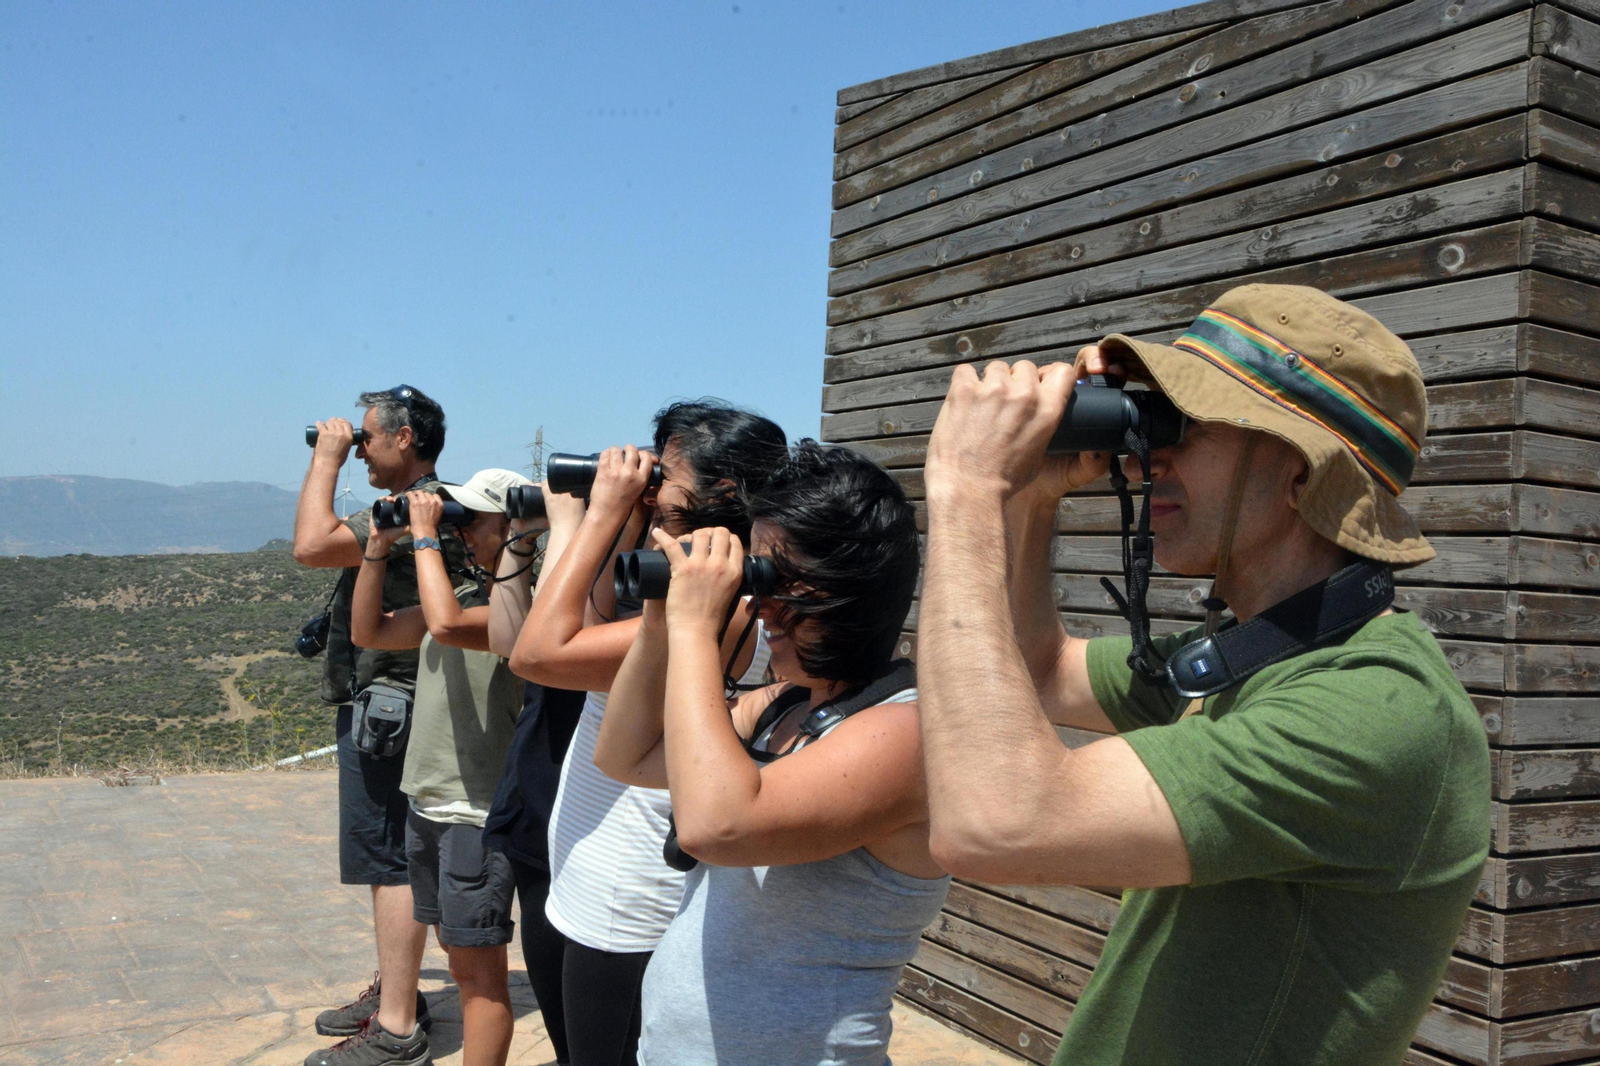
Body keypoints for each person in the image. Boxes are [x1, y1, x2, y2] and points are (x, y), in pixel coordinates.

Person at [916, 284, 1491, 1066]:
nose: (1149, 455)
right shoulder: (1256, 657)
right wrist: (1030, 501)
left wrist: (966, 493)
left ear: (1301, 474)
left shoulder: (1376, 707)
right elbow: (1040, 673)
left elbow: (995, 823)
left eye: (1185, 425)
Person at [593, 441, 946, 1066]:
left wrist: (698, 629)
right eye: (755, 575)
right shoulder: (785, 705)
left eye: (777, 577)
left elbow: (715, 825)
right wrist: (659, 622)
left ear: (851, 589)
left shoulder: (904, 731)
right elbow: (623, 754)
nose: (758, 604)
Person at [508, 400, 786, 1066]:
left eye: (667, 473)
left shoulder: (721, 604)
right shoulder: (684, 591)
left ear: (724, 490)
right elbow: (595, 613)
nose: (651, 482)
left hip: (630, 901)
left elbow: (538, 653)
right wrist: (627, 524)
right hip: (592, 879)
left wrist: (594, 516)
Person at [328, 469, 532, 1066]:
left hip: (477, 811)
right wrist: (374, 549)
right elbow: (371, 631)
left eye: (472, 519)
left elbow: (443, 625)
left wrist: (421, 537)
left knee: (476, 974)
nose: (460, 531)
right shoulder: (468, 594)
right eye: (455, 519)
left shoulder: (526, 605)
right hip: (428, 802)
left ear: (515, 525)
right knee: (456, 949)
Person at [293, 385, 463, 1044]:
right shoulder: (420, 508)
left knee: (390, 861)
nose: (360, 444)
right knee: (388, 860)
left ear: (405, 438)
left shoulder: (416, 510)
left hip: (396, 712)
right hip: (396, 705)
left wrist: (327, 459)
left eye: (368, 435)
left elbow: (311, 545)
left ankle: (397, 1024)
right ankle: (397, 990)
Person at [482, 482, 591, 1066]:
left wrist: (574, 529)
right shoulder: (583, 559)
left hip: (594, 825)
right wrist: (523, 538)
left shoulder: (636, 579)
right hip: (539, 811)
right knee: (563, 1022)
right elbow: (508, 640)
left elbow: (541, 653)